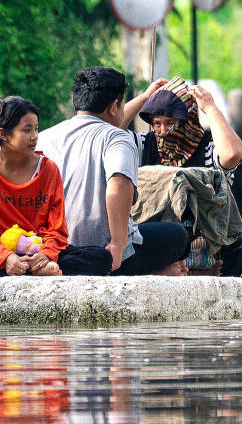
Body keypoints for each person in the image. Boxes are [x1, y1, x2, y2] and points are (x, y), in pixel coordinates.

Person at [0, 95, 116, 276]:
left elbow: (57, 230)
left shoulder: (48, 169)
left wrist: (45, 255)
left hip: (41, 251)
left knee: (102, 258)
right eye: (27, 130)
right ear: (3, 134)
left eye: (36, 129)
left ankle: (31, 268)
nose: (35, 137)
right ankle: (28, 270)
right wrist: (7, 257)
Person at [36, 66, 190, 276]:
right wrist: (117, 246)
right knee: (178, 237)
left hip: (50, 251)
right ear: (113, 106)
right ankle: (155, 272)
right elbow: (119, 183)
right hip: (100, 255)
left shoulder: (44, 138)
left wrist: (145, 97)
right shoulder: (117, 137)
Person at [124, 76, 242, 276]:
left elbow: (232, 154)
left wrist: (210, 108)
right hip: (157, 247)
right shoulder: (145, 145)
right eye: (157, 123)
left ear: (187, 120)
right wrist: (145, 98)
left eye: (170, 123)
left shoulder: (206, 148)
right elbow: (107, 131)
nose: (163, 131)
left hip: (205, 247)